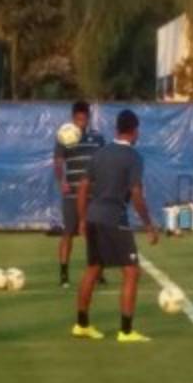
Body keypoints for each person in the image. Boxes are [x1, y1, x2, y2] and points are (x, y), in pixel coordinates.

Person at [73, 109, 160, 343]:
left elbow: (82, 188)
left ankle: (81, 325)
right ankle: (126, 331)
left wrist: (82, 219)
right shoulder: (133, 157)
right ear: (134, 131)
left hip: (92, 218)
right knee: (131, 272)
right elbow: (136, 193)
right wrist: (149, 225)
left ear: (116, 130)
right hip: (114, 220)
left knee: (93, 268)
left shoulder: (100, 154)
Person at [54, 101, 106, 288]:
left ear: (88, 118)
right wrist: (62, 181)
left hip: (93, 195)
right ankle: (64, 274)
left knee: (96, 235)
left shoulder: (98, 138)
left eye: (84, 119)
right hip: (72, 195)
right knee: (68, 233)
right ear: (73, 118)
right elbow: (58, 163)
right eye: (78, 119)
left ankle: (98, 272)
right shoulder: (65, 137)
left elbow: (103, 163)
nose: (81, 122)